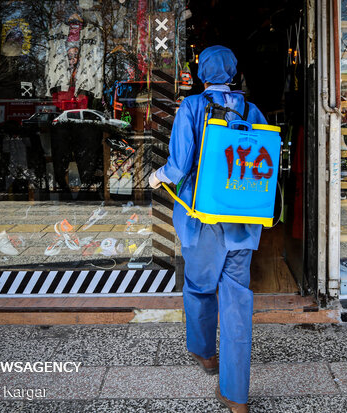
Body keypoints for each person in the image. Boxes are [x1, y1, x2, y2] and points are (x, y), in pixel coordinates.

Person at [148, 45, 266, 413]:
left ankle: (204, 353)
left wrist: (156, 177)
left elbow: (179, 165)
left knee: (199, 287)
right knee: (237, 299)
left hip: (201, 217)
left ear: (202, 74)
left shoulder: (192, 108)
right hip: (243, 219)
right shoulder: (252, 110)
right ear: (233, 73)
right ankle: (236, 396)